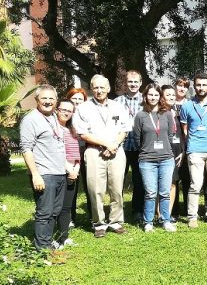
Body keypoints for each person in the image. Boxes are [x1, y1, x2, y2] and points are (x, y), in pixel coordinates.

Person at [73, 74, 131, 238]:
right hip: (94, 151)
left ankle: (116, 221)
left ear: (108, 88)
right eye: (95, 87)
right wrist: (105, 144)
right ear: (91, 89)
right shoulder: (83, 108)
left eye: (102, 87)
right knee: (95, 189)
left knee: (116, 189)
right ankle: (99, 224)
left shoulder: (118, 106)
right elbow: (82, 134)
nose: (99, 90)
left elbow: (124, 129)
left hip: (116, 151)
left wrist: (114, 145)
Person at [20, 85, 66, 250]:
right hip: (44, 173)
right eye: (44, 98)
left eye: (51, 98)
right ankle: (42, 247)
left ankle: (46, 240)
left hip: (59, 172)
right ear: (37, 100)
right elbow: (26, 148)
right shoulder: (31, 119)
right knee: (45, 212)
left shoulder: (55, 116)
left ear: (56, 101)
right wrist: (35, 174)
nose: (48, 101)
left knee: (55, 211)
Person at [179, 72, 207, 228]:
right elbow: (185, 129)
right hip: (195, 150)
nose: (201, 88)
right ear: (194, 86)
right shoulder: (186, 106)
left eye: (204, 85)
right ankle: (192, 216)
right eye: (198, 85)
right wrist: (191, 146)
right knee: (195, 184)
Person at [134, 84, 177, 232]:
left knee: (165, 192)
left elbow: (170, 136)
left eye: (156, 95)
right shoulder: (140, 116)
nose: (153, 98)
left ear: (160, 97)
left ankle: (165, 220)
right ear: (145, 96)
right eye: (150, 95)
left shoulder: (167, 114)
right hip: (147, 160)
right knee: (151, 193)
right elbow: (137, 138)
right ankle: (148, 222)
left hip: (166, 159)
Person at [114, 70, 145, 224]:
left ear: (140, 83)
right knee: (118, 180)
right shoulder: (117, 102)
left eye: (136, 82)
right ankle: (116, 212)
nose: (133, 84)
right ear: (126, 83)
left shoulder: (146, 100)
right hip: (122, 147)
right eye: (130, 82)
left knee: (139, 181)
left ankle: (137, 211)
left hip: (140, 147)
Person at [54, 100, 80, 249]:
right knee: (55, 207)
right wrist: (68, 168)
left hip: (72, 172)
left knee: (66, 207)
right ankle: (53, 238)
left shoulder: (72, 130)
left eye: (69, 111)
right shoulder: (53, 128)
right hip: (58, 171)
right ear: (57, 109)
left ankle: (64, 237)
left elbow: (76, 153)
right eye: (63, 109)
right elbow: (56, 151)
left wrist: (76, 168)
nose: (66, 113)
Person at [161, 85, 185, 220]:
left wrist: (182, 150)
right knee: (162, 183)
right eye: (167, 95)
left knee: (173, 182)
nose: (171, 97)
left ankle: (171, 213)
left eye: (172, 95)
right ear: (162, 97)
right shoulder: (158, 113)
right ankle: (159, 213)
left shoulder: (177, 112)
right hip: (163, 152)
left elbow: (181, 133)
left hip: (177, 152)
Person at [64, 88, 89, 224]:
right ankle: (70, 217)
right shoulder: (66, 116)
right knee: (71, 185)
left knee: (89, 185)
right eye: (74, 99)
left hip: (86, 151)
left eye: (81, 99)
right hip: (71, 155)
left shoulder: (87, 115)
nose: (77, 101)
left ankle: (92, 215)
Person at [172, 78, 191, 217]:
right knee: (173, 179)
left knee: (187, 178)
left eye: (185, 86)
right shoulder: (168, 104)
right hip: (172, 146)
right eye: (179, 85)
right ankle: (174, 210)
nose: (182, 88)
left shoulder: (190, 105)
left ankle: (187, 209)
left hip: (187, 144)